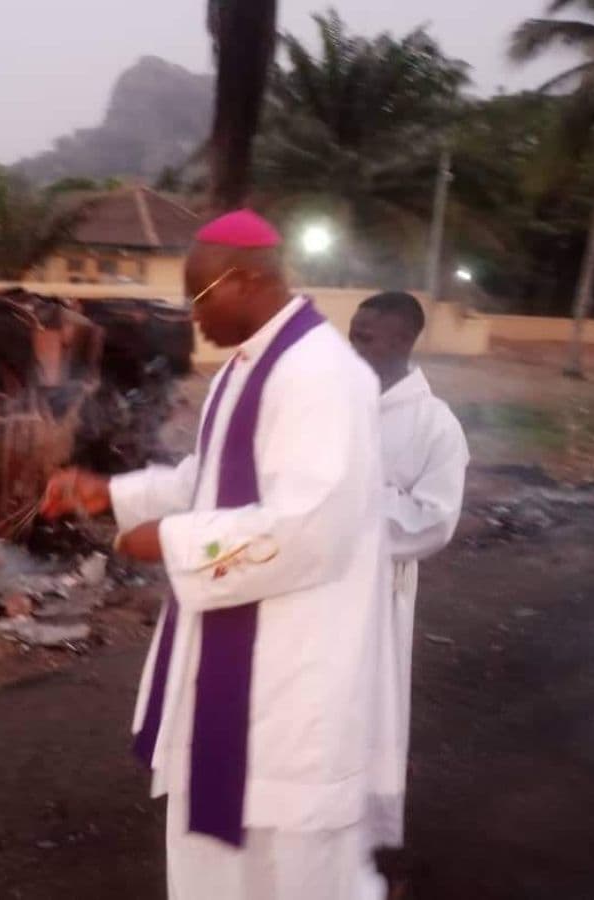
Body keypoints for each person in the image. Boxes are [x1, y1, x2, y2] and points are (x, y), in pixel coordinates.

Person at [42, 209, 391, 899]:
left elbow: (310, 527)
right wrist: (111, 493)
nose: (190, 315)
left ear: (249, 281)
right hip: (236, 651)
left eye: (198, 296)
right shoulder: (250, 364)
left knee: (291, 868)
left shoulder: (321, 374)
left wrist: (170, 542)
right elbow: (210, 477)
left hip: (289, 668)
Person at [349, 291, 469, 852]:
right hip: (312, 586)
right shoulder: (335, 404)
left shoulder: (435, 425)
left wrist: (349, 503)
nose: (351, 346)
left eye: (363, 336)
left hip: (377, 594)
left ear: (401, 340)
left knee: (368, 714)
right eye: (351, 333)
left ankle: (366, 848)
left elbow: (434, 521)